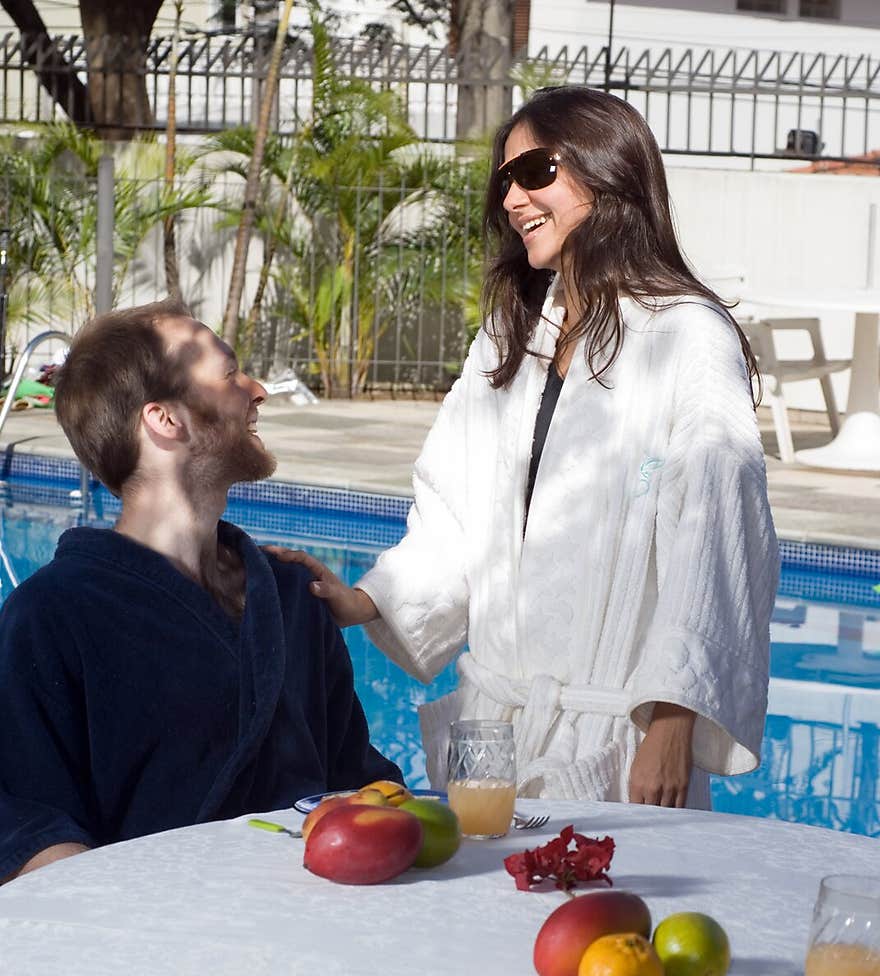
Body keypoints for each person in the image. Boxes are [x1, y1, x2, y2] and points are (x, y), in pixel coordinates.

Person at [277, 85, 779, 810]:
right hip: (493, 720)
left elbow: (716, 529)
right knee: (478, 907)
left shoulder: (686, 335)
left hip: (618, 732)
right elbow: (453, 506)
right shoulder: (512, 336)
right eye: (505, 179)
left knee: (602, 919)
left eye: (536, 171)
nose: (513, 199)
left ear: (608, 171)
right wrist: (364, 600)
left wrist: (673, 722)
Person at [0, 300, 400, 882]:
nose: (257, 389)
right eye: (230, 371)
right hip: (153, 945)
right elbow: (24, 820)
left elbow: (359, 781)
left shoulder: (291, 596)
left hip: (317, 929)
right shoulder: (51, 615)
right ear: (166, 419)